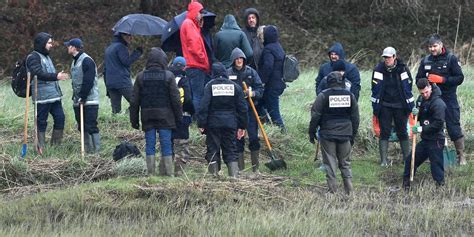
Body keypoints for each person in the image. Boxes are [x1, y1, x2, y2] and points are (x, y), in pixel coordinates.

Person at [130, 47, 182, 176]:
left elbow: (134, 101)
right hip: (165, 116)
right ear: (163, 60)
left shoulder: (140, 77)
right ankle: (169, 173)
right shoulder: (169, 76)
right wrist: (178, 117)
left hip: (147, 116)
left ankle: (151, 174)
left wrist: (134, 120)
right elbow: (176, 99)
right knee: (166, 144)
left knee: (150, 145)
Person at [415, 34, 466, 165]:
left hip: (448, 98)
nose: (432, 49)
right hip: (431, 99)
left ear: (441, 45)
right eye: (430, 47)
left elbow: (460, 78)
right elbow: (418, 79)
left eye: (435, 46)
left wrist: (443, 80)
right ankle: (432, 154)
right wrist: (425, 83)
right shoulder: (426, 61)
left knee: (453, 125)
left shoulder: (451, 59)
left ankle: (461, 156)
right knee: (430, 125)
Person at [308, 72, 359, 195]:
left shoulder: (323, 95)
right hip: (345, 133)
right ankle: (350, 191)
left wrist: (312, 131)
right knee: (345, 163)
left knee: (330, 164)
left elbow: (315, 115)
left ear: (328, 82)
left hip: (328, 134)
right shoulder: (350, 95)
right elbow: (355, 117)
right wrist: (353, 134)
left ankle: (333, 192)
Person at [197, 62, 248, 178]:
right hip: (230, 123)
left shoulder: (209, 86)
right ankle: (234, 177)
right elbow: (243, 109)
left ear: (213, 73)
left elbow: (203, 106)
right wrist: (242, 126)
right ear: (225, 72)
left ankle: (213, 177)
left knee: (213, 149)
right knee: (231, 149)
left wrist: (201, 123)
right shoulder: (235, 86)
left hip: (213, 124)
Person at [371, 47, 415, 166]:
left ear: (395, 57)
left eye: (389, 57)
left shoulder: (403, 68)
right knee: (384, 132)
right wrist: (376, 107)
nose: (387, 59)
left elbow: (408, 87)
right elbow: (375, 89)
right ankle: (384, 161)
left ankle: (407, 160)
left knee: (402, 132)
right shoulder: (378, 69)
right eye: (385, 57)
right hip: (384, 105)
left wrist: (409, 106)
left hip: (400, 106)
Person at [26, 32, 69, 150]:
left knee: (60, 118)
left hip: (54, 96)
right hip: (42, 97)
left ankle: (55, 148)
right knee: (41, 122)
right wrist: (56, 76)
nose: (51, 45)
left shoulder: (46, 56)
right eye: (49, 43)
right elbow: (38, 73)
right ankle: (40, 148)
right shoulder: (33, 57)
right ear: (42, 43)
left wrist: (57, 77)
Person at [403, 78, 446, 189]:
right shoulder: (421, 100)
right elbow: (418, 116)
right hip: (426, 140)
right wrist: (415, 113)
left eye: (426, 92)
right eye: (422, 93)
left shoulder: (438, 103)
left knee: (436, 166)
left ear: (430, 87)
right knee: (410, 160)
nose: (425, 94)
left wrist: (421, 129)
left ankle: (440, 187)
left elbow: (438, 124)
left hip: (436, 139)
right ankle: (406, 184)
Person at [227, 47, 264, 173]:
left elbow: (260, 89)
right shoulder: (228, 73)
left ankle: (256, 169)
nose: (239, 61)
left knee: (253, 137)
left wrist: (252, 93)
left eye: (241, 58)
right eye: (236, 59)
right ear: (233, 60)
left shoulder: (251, 72)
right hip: (235, 112)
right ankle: (240, 169)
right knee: (238, 139)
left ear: (244, 59)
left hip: (250, 110)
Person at [65, 38, 100, 154]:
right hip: (78, 100)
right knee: (82, 126)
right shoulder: (74, 61)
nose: (67, 47)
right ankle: (87, 150)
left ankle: (96, 152)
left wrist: (83, 96)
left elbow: (88, 80)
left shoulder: (86, 60)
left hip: (89, 101)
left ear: (74, 47)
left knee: (91, 126)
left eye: (69, 46)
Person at [180, 1, 210, 113]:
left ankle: (193, 118)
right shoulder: (189, 24)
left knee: (193, 94)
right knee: (198, 96)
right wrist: (204, 61)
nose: (201, 15)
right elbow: (195, 47)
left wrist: (199, 26)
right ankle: (198, 120)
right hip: (196, 65)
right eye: (200, 13)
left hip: (191, 65)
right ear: (195, 12)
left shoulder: (190, 24)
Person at [104, 32, 143, 114]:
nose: (131, 37)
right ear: (122, 36)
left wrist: (107, 87)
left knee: (115, 111)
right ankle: (126, 114)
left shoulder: (109, 48)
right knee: (137, 100)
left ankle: (116, 125)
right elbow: (126, 61)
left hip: (110, 82)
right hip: (122, 82)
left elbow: (105, 69)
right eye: (128, 35)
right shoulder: (120, 47)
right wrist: (137, 52)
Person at [258, 25, 286, 132]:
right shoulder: (279, 46)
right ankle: (268, 126)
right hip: (279, 84)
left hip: (271, 86)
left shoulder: (268, 49)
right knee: (259, 104)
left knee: (274, 112)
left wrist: (261, 81)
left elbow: (268, 67)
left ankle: (282, 132)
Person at [169, 56, 194, 177]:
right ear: (185, 67)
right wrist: (192, 112)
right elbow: (188, 99)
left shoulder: (167, 78)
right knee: (182, 145)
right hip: (183, 117)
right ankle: (179, 173)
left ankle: (166, 172)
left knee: (168, 144)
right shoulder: (184, 80)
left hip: (167, 117)